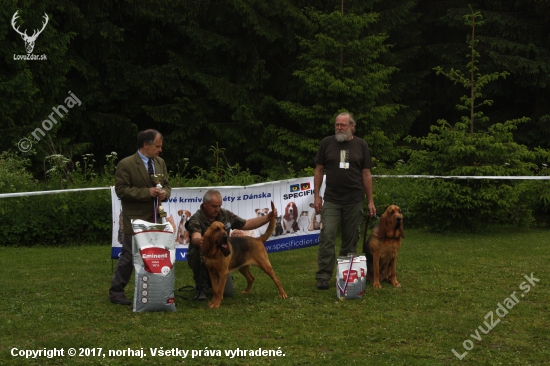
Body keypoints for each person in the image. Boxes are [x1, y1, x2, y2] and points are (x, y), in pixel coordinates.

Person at [313, 112, 376, 290]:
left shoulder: (361, 144)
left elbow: (366, 174)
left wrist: (370, 200)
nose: (339, 128)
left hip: (354, 199)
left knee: (350, 239)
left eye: (343, 125)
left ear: (352, 126)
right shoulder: (327, 143)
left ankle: (346, 277)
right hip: (332, 199)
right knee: (327, 236)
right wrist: (316, 195)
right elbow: (319, 170)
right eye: (337, 125)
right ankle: (323, 276)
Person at [109, 129, 172, 305]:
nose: (160, 150)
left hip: (156, 218)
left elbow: (166, 185)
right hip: (135, 219)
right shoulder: (126, 164)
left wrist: (164, 194)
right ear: (146, 144)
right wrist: (147, 192)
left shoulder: (160, 163)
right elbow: (121, 190)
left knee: (155, 255)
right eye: (158, 146)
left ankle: (152, 289)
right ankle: (116, 291)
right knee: (129, 256)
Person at [186, 189, 278, 300]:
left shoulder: (225, 215)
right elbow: (195, 236)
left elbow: (246, 224)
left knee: (228, 292)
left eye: (219, 206)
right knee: (196, 251)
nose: (217, 209)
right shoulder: (196, 218)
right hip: (204, 255)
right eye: (214, 206)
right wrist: (199, 241)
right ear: (205, 205)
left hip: (221, 256)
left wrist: (268, 217)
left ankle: (213, 283)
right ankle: (201, 287)